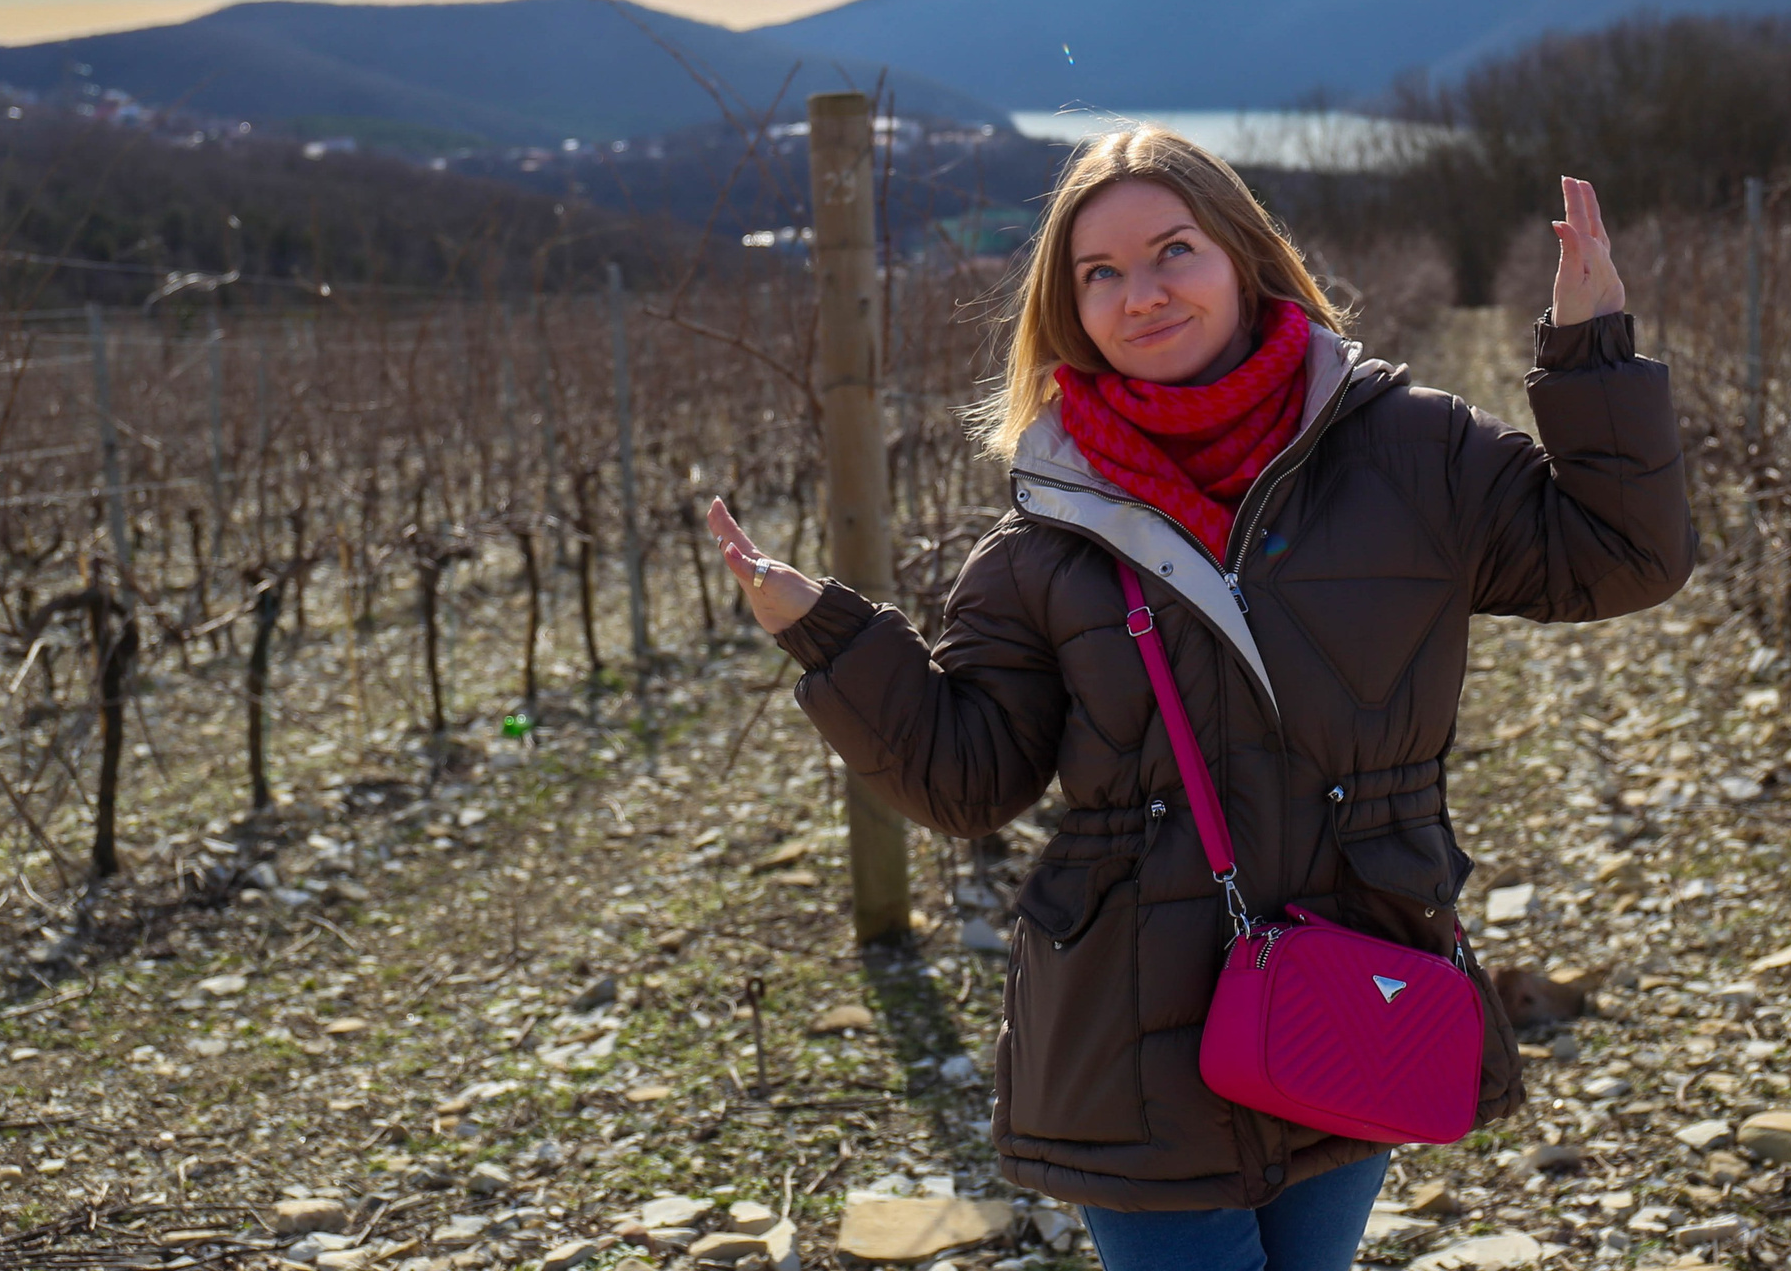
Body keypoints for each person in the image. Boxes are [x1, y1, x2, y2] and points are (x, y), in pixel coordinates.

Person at [707, 125, 1693, 1271]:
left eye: (1172, 251)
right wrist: (826, 635)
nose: (1142, 294)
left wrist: (1591, 357)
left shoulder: (1412, 454)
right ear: (1068, 312)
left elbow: (1620, 556)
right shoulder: (1044, 544)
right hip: (1128, 1030)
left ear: (1243, 256)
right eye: (1101, 274)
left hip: (1353, 966)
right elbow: (965, 782)